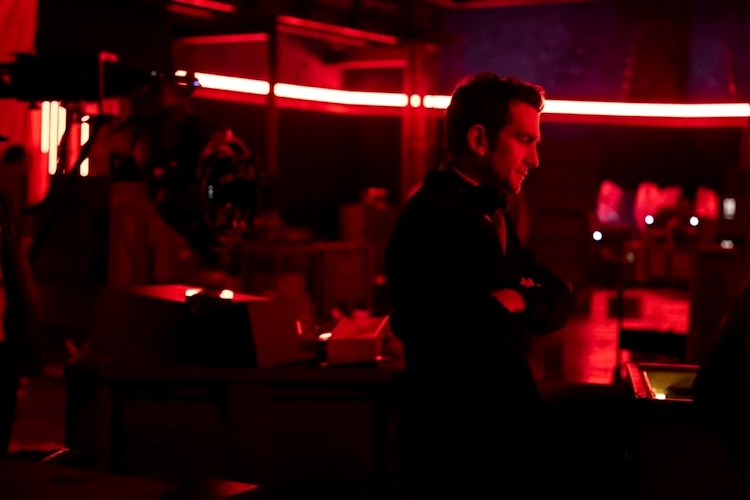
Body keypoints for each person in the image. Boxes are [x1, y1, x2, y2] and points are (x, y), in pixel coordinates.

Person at [384, 73, 573, 498]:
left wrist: (516, 299)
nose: (535, 159)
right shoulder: (430, 220)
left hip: (501, 448)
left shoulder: (494, 213)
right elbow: (473, 337)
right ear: (479, 140)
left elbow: (559, 296)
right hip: (456, 456)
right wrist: (521, 304)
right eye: (524, 140)